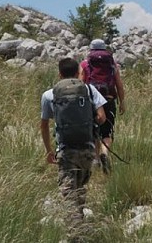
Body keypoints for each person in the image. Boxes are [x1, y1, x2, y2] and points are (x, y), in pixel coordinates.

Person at [40, 57, 107, 228]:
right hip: (87, 149)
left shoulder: (49, 95)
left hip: (65, 149)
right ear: (78, 73)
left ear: (59, 74)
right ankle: (80, 227)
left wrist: (49, 151)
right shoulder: (89, 90)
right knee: (79, 189)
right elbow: (102, 118)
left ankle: (76, 234)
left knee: (69, 194)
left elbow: (45, 125)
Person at [78, 38, 126, 174]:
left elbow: (81, 84)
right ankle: (105, 153)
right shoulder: (112, 64)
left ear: (91, 49)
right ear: (105, 49)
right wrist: (122, 102)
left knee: (94, 130)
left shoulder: (85, 63)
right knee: (107, 131)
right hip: (109, 100)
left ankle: (96, 159)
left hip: (91, 102)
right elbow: (119, 85)